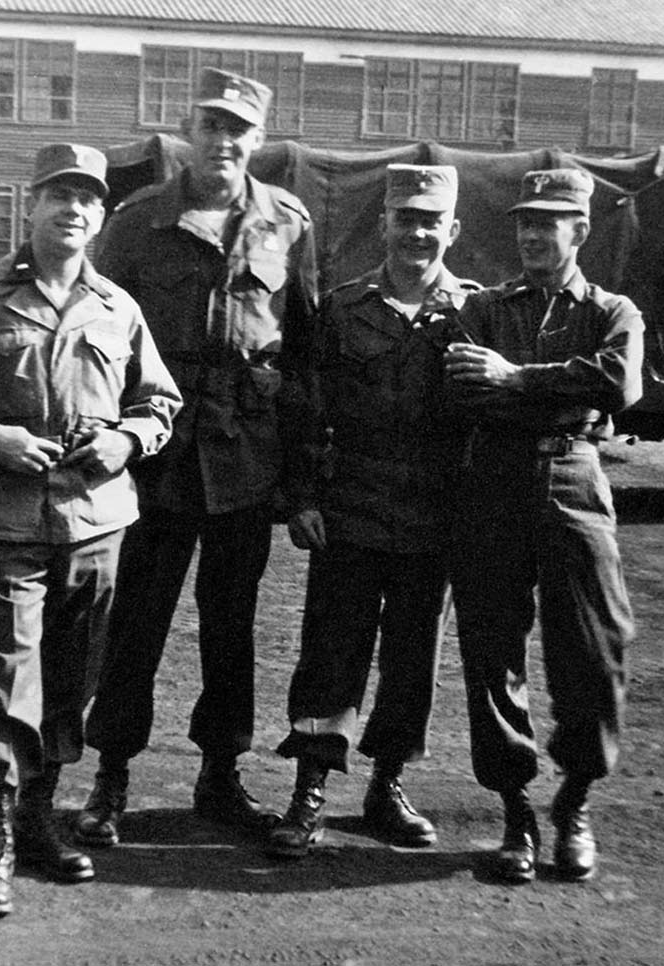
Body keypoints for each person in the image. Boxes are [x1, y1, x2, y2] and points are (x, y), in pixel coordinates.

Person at [0, 143, 181, 919]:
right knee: (9, 672)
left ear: (101, 218)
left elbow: (159, 402)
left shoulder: (118, 307)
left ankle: (41, 815)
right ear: (29, 206)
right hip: (6, 520)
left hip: (98, 520)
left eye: (87, 200)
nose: (72, 210)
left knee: (73, 679)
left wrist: (127, 440)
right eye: (58, 196)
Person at [74, 67, 319, 847]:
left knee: (231, 627)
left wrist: (300, 472)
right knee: (134, 625)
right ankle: (110, 776)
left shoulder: (285, 222)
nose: (222, 141)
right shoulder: (139, 219)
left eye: (237, 129)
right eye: (209, 125)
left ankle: (221, 775)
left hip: (244, 459)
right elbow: (93, 332)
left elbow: (306, 352)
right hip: (155, 462)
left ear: (257, 139)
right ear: (189, 130)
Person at [267, 165, 477, 859]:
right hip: (350, 508)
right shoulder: (343, 308)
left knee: (412, 659)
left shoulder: (473, 313)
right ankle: (310, 791)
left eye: (429, 221)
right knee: (332, 650)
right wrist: (299, 496)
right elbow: (304, 406)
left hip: (434, 515)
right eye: (403, 219)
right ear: (383, 224)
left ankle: (386, 784)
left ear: (451, 230)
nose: (416, 232)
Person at [442, 168, 643, 883]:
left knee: (595, 646)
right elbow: (463, 386)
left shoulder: (612, 310)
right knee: (492, 650)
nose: (531, 234)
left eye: (548, 222)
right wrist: (559, 387)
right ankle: (514, 813)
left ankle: (575, 801)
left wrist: (517, 381)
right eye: (524, 221)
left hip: (572, 477)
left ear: (579, 230)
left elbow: (617, 382)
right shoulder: (486, 310)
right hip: (492, 482)